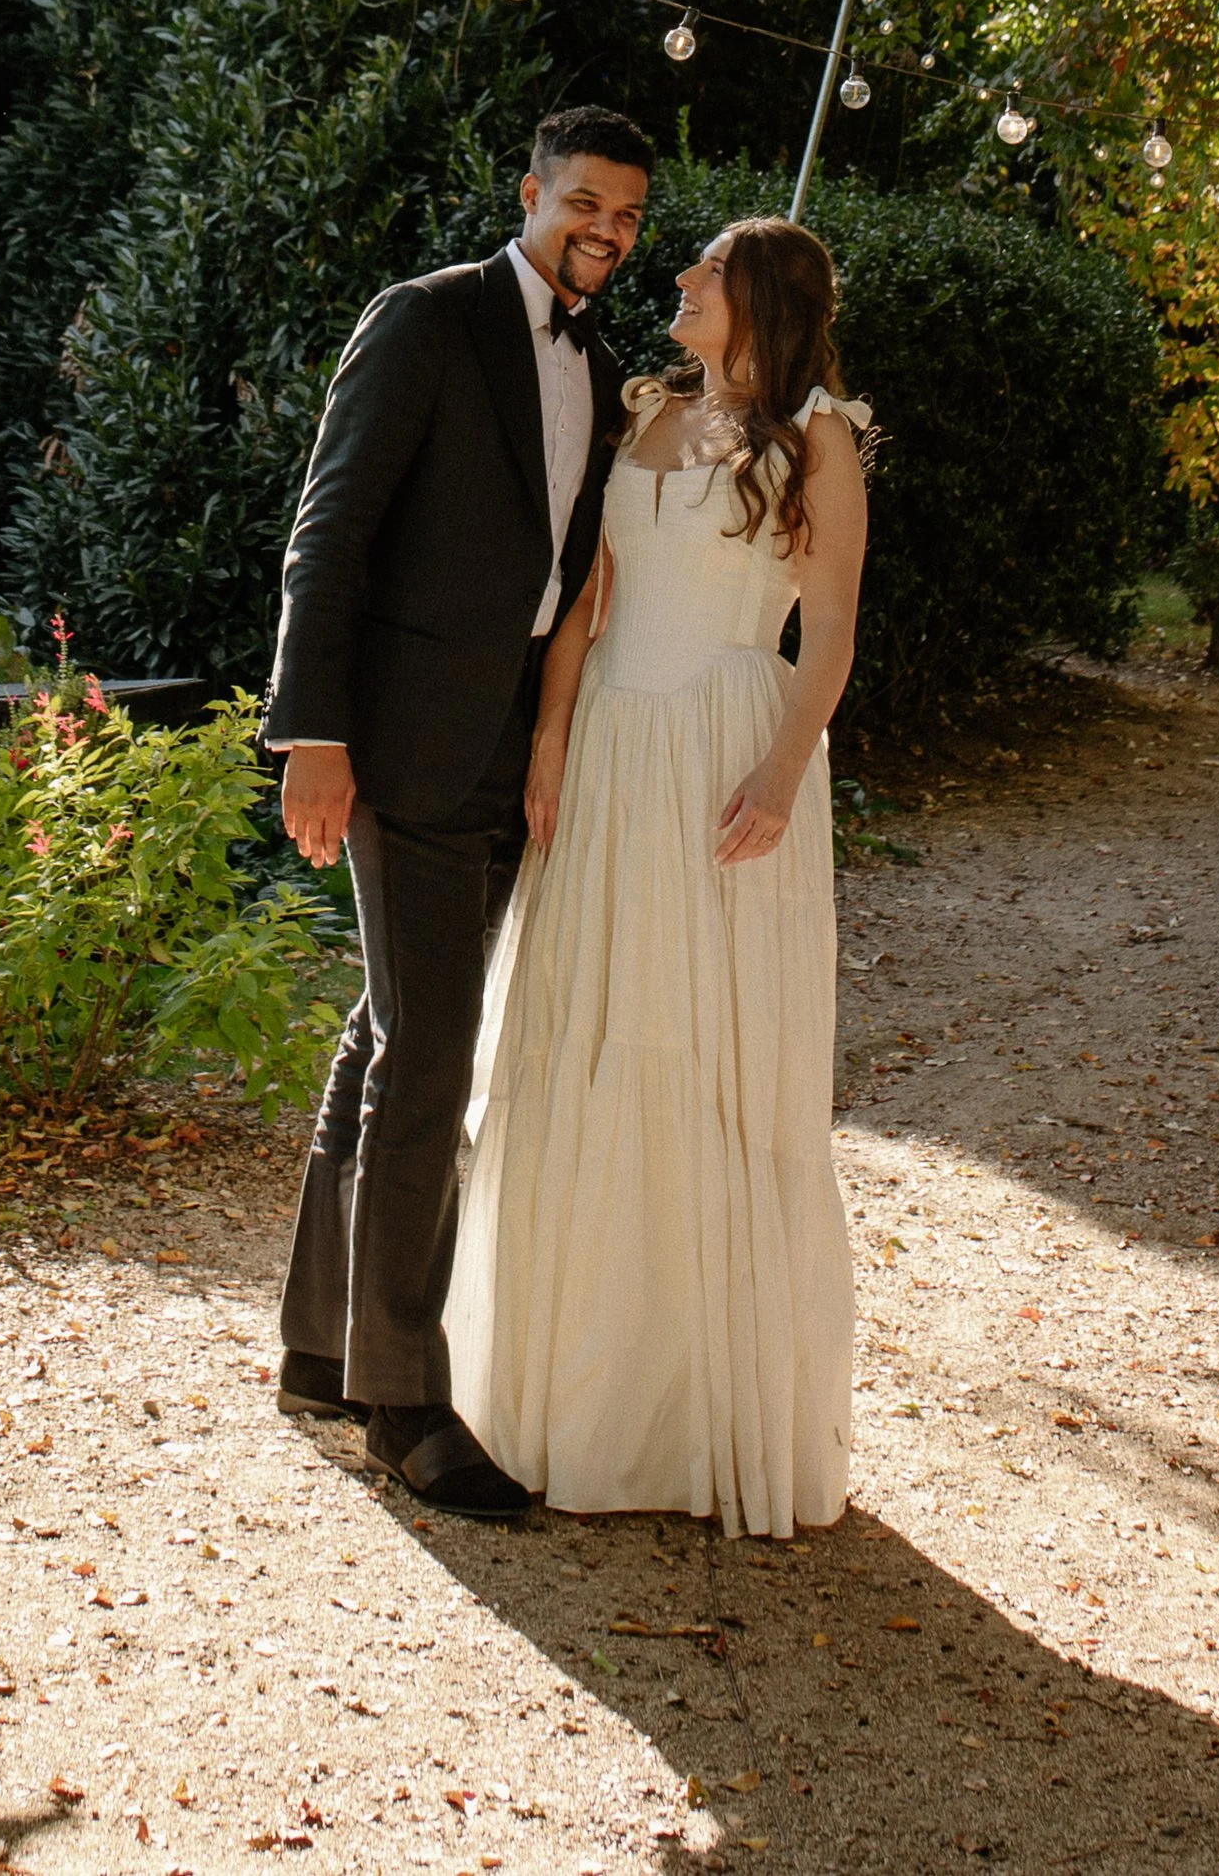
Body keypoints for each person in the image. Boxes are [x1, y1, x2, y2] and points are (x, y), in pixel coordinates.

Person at [446, 215, 867, 1538]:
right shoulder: (648, 411)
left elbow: (836, 625)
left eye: (706, 271)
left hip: (724, 750)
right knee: (592, 1033)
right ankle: (584, 1394)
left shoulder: (820, 438)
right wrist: (555, 735)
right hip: (618, 749)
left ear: (763, 301)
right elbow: (589, 597)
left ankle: (701, 1412)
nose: (677, 281)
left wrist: (785, 771)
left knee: (707, 1055)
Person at [263, 105, 654, 1521]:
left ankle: (320, 1343)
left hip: (506, 751)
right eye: (587, 201)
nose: (606, 229)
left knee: (390, 1026)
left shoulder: (603, 374)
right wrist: (313, 732)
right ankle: (404, 1397)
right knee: (432, 1044)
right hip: (394, 745)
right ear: (532, 189)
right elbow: (332, 527)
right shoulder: (424, 318)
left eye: (628, 215)